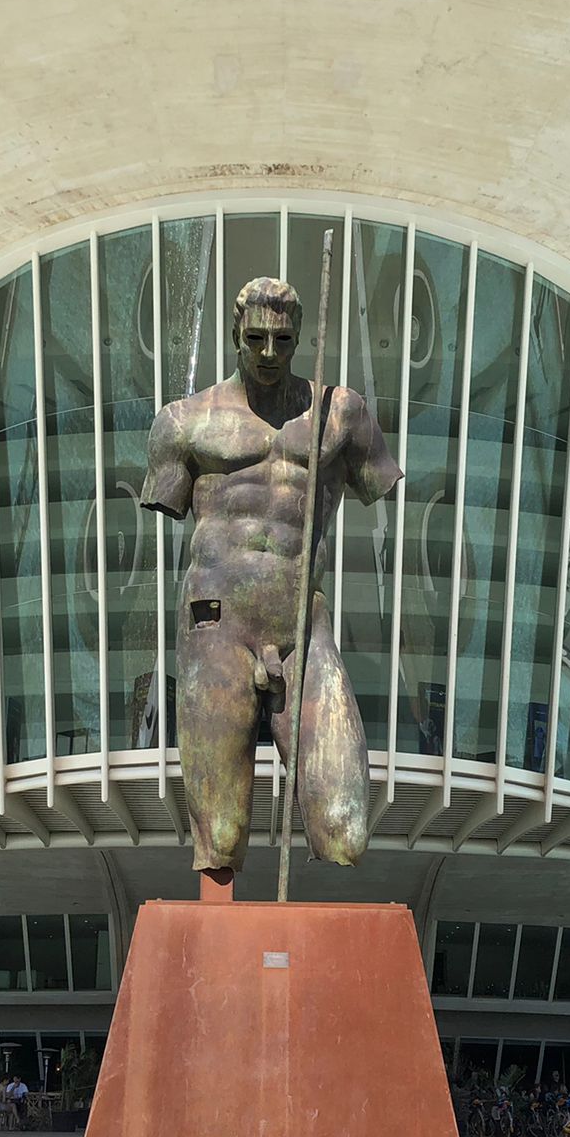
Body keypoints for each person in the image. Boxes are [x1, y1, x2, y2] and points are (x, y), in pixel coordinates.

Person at [140, 276, 404, 881]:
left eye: (282, 340)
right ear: (235, 333)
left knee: (344, 829)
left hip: (301, 626)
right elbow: (168, 499)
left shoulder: (340, 413)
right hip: (216, 625)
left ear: (299, 338)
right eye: (255, 337)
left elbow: (376, 481)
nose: (267, 352)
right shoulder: (184, 421)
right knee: (221, 840)